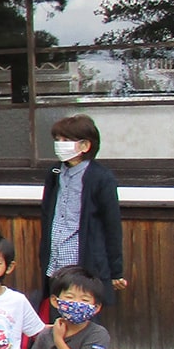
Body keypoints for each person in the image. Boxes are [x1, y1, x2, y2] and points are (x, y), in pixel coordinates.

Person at [38, 114, 126, 312]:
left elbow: (112, 225)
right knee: (56, 314)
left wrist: (116, 271)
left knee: (83, 314)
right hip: (56, 259)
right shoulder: (54, 173)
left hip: (84, 259)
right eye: (58, 140)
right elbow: (46, 214)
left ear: (85, 146)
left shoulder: (101, 178)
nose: (60, 145)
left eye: (66, 140)